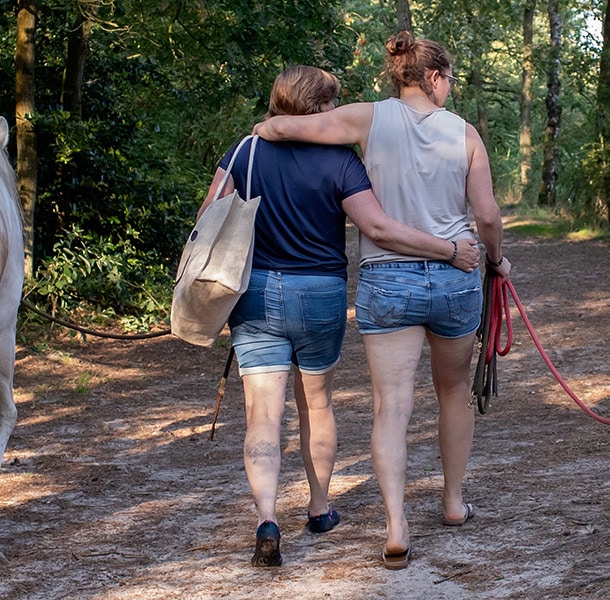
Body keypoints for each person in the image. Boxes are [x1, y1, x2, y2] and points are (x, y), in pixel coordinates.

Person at [202, 65, 479, 568]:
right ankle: (319, 507)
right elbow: (377, 225)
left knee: (263, 414)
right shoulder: (341, 162)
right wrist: (447, 250)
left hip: (256, 291)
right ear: (315, 109)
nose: (334, 112)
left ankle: (267, 517)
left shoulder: (243, 152)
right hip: (321, 292)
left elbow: (208, 218)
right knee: (316, 403)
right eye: (329, 104)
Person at [254, 32, 508, 570]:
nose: (450, 88)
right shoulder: (465, 134)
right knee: (454, 392)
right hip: (454, 275)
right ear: (435, 78)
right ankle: (453, 502)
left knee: (391, 405)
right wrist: (496, 259)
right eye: (450, 79)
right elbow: (486, 217)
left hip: (387, 280)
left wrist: (267, 127)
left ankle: (395, 525)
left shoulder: (368, 118)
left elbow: (290, 127)